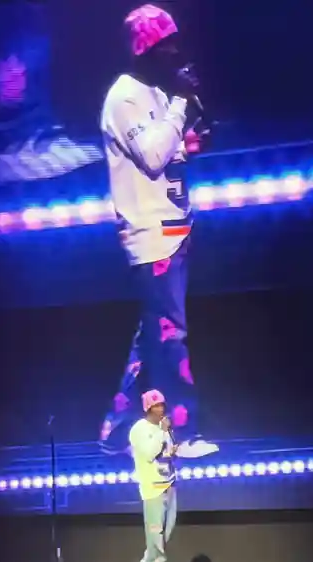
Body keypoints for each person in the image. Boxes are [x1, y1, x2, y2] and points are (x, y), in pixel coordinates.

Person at [98, 4, 208, 453]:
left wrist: (192, 132)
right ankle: (184, 431)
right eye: (167, 46)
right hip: (150, 236)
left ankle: (115, 430)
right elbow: (151, 156)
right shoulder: (124, 98)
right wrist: (181, 105)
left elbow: (173, 149)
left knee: (153, 337)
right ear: (145, 49)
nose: (175, 54)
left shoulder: (159, 94)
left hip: (174, 230)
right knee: (169, 336)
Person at [129, 389, 178, 562]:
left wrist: (172, 449)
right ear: (148, 408)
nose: (161, 409)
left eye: (162, 405)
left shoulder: (163, 428)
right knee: (155, 529)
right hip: (152, 485)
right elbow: (149, 453)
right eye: (156, 406)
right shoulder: (139, 430)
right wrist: (163, 432)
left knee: (168, 529)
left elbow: (166, 452)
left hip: (169, 483)